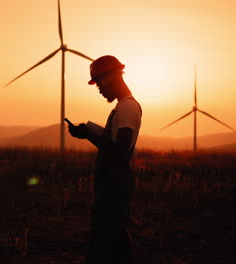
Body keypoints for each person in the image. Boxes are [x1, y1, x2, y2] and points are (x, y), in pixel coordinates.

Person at [68, 55, 142, 264]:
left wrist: (89, 135)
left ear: (112, 77)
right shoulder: (124, 106)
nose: (99, 88)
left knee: (103, 240)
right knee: (115, 240)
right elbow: (117, 146)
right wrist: (90, 133)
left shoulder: (127, 107)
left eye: (100, 82)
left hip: (116, 182)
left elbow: (120, 151)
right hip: (114, 181)